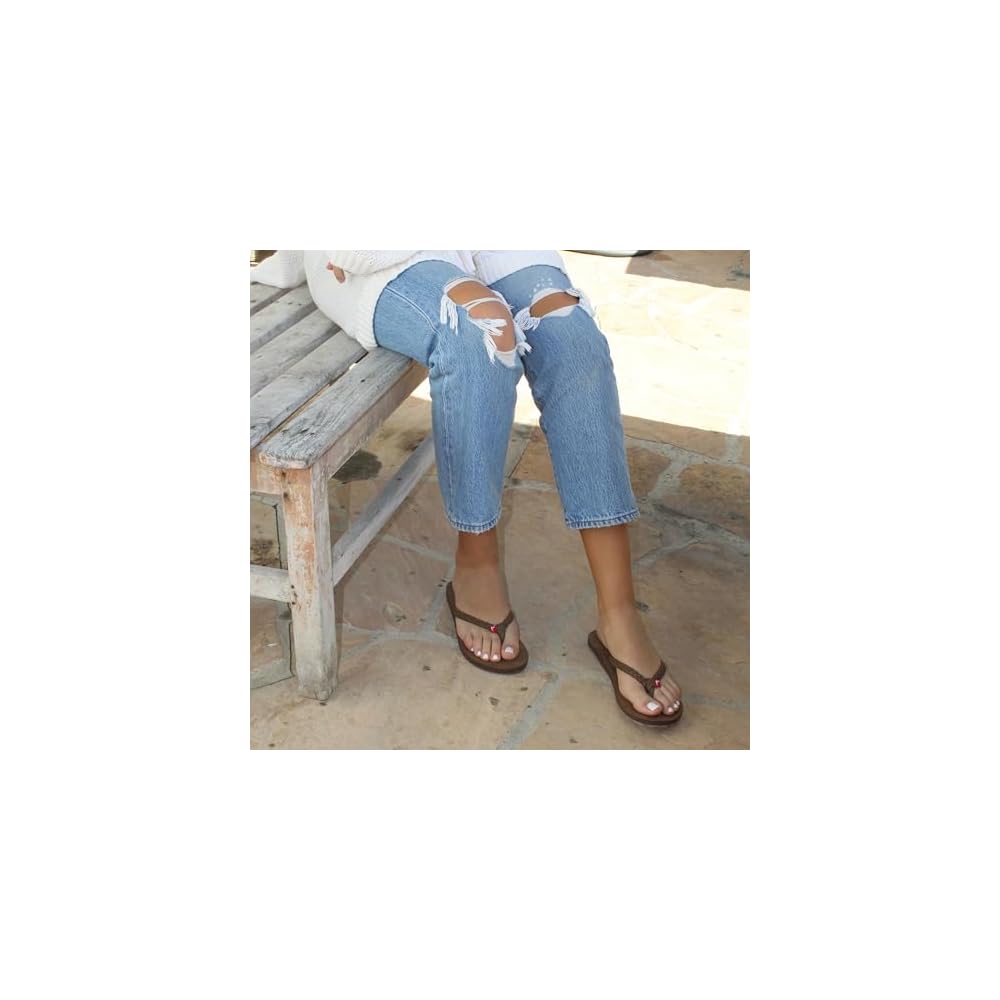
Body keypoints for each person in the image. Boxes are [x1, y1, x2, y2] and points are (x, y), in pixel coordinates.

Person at [251, 251, 682, 724]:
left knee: (573, 339)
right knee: (480, 331)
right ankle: (477, 564)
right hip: (382, 255)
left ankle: (619, 611)